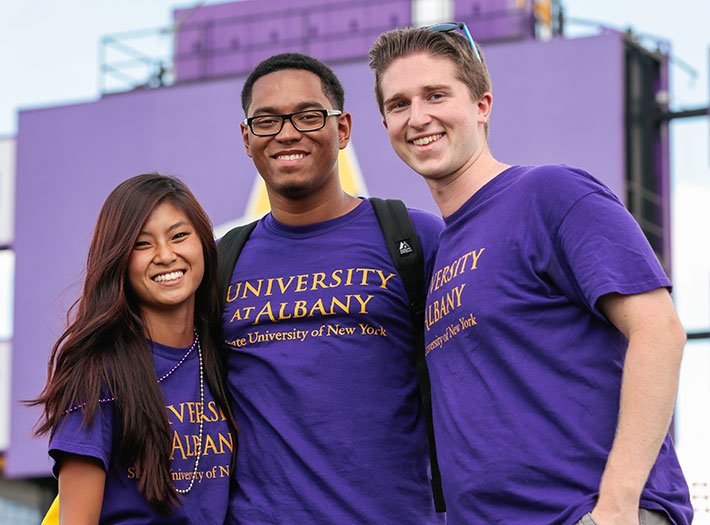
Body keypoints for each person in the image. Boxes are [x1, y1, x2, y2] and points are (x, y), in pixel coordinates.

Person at [368, 25, 692, 525]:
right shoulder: (438, 254)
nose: (418, 117)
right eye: (398, 104)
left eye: (436, 95)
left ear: (482, 104)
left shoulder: (549, 193)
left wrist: (618, 504)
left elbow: (659, 331)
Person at [223, 52, 444, 523]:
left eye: (307, 116)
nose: (287, 133)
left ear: (342, 129)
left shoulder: (414, 238)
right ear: (247, 138)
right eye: (266, 121)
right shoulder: (221, 260)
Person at [31, 174, 238, 523]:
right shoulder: (98, 373)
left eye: (179, 236)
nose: (165, 255)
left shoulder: (226, 356)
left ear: (203, 243)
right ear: (119, 261)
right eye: (142, 245)